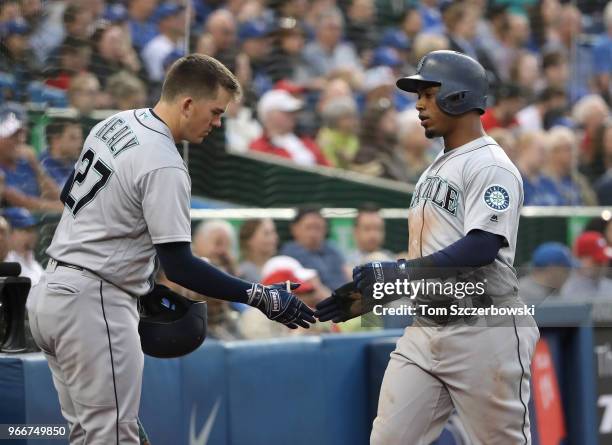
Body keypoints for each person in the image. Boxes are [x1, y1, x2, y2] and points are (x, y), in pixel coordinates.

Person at [26, 54, 315, 445]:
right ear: (187, 104)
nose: (217, 123)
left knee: (90, 435)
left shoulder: (112, 123)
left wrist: (137, 269)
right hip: (94, 302)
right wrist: (258, 295)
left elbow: (71, 196)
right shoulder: (165, 162)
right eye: (215, 112)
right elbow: (179, 266)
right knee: (111, 438)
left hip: (51, 293)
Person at [315, 51, 539, 444]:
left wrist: (399, 275)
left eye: (429, 92)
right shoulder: (435, 167)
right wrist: (381, 293)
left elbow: (481, 247)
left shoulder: (490, 164)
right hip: (426, 327)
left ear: (459, 96)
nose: (419, 103)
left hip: (483, 328)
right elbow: (432, 253)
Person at [280, 206, 349, 290]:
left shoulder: (332, 249)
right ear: (294, 229)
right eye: (308, 228)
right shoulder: (289, 254)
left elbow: (347, 273)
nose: (313, 233)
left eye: (318, 228)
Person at [560, 231, 612, 301]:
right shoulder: (570, 292)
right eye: (597, 261)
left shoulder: (607, 285)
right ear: (579, 259)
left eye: (604, 259)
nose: (603, 264)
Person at [3, 207, 43, 286]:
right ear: (9, 232)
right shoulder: (6, 263)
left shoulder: (32, 261)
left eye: (33, 229)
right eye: (26, 230)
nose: (32, 234)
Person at [39, 117, 83, 188]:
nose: (80, 143)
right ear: (56, 140)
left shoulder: (78, 164)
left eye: (80, 138)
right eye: (73, 138)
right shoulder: (41, 167)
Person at [345, 205, 393, 269]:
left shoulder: (391, 259)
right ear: (355, 232)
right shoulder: (345, 262)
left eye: (377, 228)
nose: (373, 235)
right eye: (367, 229)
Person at [238, 218, 279, 282]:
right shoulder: (242, 273)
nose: (274, 237)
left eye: (273, 232)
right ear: (249, 240)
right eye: (266, 233)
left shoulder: (279, 267)